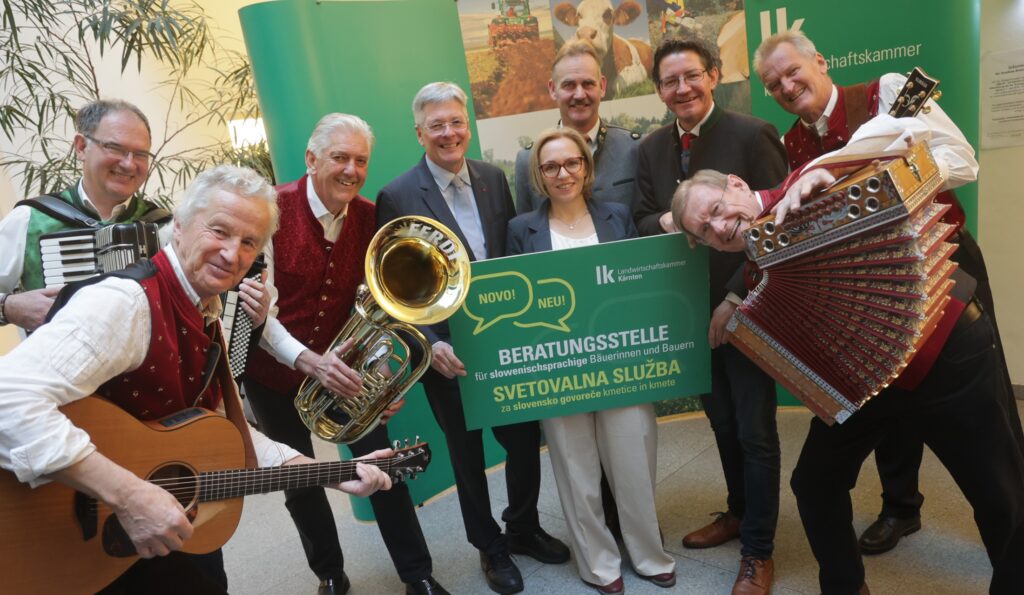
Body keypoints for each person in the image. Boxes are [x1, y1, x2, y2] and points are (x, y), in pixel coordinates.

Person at [670, 118, 1024, 595]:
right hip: (873, 380)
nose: (719, 226)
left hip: (947, 353)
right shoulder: (755, 277)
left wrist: (834, 171)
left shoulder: (806, 183)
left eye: (716, 209)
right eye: (706, 230)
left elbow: (896, 140)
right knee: (815, 482)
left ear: (737, 184)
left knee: (1001, 498)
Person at [0, 164, 392, 594]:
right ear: (180, 227)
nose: (232, 254)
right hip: (72, 531)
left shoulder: (207, 309)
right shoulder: (125, 303)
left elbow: (219, 428)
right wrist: (130, 495)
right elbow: (9, 396)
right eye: (219, 231)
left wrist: (329, 472)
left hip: (144, 541)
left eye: (249, 243)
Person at [752, 29, 1023, 556]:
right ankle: (902, 506)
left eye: (792, 71)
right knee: (888, 394)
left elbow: (964, 161)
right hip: (876, 283)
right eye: (773, 83)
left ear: (820, 62)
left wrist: (882, 176)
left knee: (984, 408)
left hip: (941, 259)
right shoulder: (794, 144)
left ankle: (1010, 511)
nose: (786, 86)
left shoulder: (888, 92)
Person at [376, 82, 570, 595]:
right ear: (419, 132)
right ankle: (491, 547)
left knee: (525, 441)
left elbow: (502, 257)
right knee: (468, 456)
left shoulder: (491, 177)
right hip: (446, 352)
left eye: (456, 122)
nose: (449, 133)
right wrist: (428, 344)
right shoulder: (397, 195)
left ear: (469, 125)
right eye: (437, 125)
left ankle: (522, 527)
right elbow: (392, 290)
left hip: (502, 342)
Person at [241, 114, 446, 595]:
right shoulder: (269, 209)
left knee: (382, 467)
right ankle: (329, 573)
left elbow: (378, 306)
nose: (351, 170)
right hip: (271, 372)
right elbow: (259, 311)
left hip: (348, 367)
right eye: (340, 157)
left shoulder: (372, 217)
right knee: (301, 479)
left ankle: (418, 574)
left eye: (360, 160)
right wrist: (308, 360)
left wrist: (381, 378)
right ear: (312, 160)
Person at [634, 37, 787, 595]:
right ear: (659, 91)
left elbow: (775, 231)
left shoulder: (751, 134)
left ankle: (759, 552)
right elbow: (640, 218)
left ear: (714, 75)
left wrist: (733, 301)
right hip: (688, 317)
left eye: (691, 76)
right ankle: (739, 512)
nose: (681, 89)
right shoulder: (650, 149)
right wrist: (673, 223)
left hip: (747, 308)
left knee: (755, 433)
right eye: (669, 82)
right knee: (721, 424)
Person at [507, 128, 676, 595]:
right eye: (550, 166)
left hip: (620, 364)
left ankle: (647, 554)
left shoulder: (618, 215)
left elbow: (637, 287)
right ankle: (599, 563)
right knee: (576, 470)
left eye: (571, 163)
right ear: (538, 176)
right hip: (559, 371)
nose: (562, 173)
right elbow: (519, 309)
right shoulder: (522, 229)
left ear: (587, 166)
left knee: (634, 465)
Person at [0, 100, 225, 333]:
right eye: (115, 148)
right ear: (81, 147)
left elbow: (203, 316)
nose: (129, 164)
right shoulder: (31, 219)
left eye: (140, 154)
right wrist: (8, 306)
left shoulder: (166, 227)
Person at [514, 39, 641, 214]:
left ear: (602, 86)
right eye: (569, 85)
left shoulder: (634, 149)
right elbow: (527, 233)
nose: (580, 94)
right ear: (552, 89)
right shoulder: (528, 160)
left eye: (588, 84)